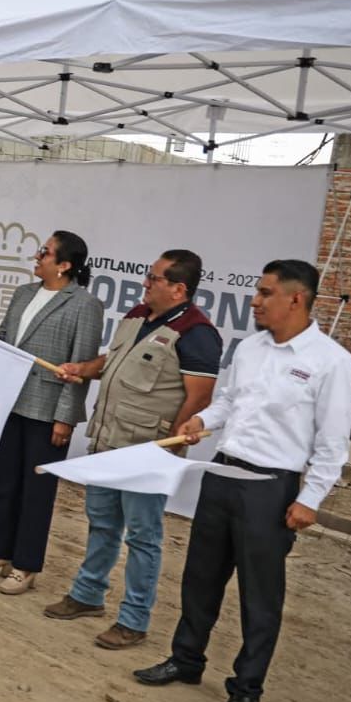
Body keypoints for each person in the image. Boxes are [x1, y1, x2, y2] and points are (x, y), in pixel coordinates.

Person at [135, 259, 351, 702]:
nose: (254, 301)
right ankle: (186, 660)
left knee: (260, 595)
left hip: (270, 489)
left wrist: (310, 498)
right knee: (200, 577)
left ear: (296, 299)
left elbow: (333, 441)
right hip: (223, 475)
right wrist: (202, 422)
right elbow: (229, 402)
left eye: (265, 293)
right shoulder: (250, 348)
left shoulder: (331, 362)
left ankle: (246, 687)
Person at [42, 250, 222, 649]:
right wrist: (82, 369)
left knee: (143, 536)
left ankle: (134, 619)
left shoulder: (197, 333)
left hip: (148, 451)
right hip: (109, 441)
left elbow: (200, 396)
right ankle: (88, 595)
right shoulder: (138, 315)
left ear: (179, 288)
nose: (146, 282)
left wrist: (169, 450)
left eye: (155, 278)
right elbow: (113, 361)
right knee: (102, 521)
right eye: (148, 275)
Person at [0, 229, 103, 594]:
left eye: (45, 252)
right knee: (7, 483)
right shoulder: (22, 294)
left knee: (38, 490)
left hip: (48, 410)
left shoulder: (84, 304)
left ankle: (26, 564)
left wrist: (65, 417)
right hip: (13, 402)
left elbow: (80, 366)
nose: (37, 256)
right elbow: (3, 341)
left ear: (64, 265)